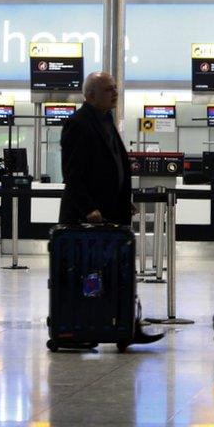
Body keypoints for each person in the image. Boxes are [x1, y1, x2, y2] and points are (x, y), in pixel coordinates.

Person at [59, 71, 163, 345]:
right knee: (90, 275)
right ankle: (81, 325)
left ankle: (126, 327)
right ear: (90, 94)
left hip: (113, 214)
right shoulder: (78, 124)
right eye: (108, 89)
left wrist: (122, 199)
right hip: (90, 220)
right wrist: (88, 209)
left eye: (115, 88)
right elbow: (72, 174)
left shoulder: (106, 121)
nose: (115, 93)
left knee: (119, 273)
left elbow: (112, 167)